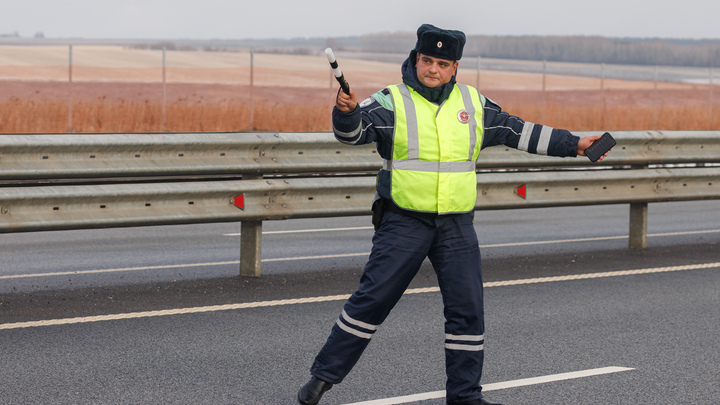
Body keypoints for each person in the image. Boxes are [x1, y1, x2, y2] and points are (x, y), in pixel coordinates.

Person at [298, 24, 609, 405]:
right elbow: (353, 134)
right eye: (427, 60)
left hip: (457, 227)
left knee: (468, 312)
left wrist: (575, 144)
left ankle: (465, 397)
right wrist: (343, 113)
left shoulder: (473, 103)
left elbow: (521, 132)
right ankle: (322, 378)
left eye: (442, 63)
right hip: (403, 221)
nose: (433, 69)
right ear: (416, 59)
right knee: (372, 300)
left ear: (455, 66)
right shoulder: (390, 101)